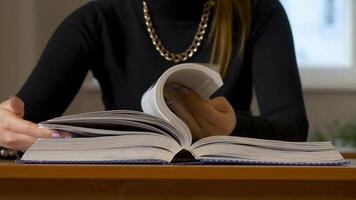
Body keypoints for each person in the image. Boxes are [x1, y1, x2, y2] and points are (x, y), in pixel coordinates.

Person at [0, 0, 309, 155]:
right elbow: (24, 120)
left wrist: (232, 126)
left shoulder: (258, 10)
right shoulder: (98, 18)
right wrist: (7, 129)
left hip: (226, 188)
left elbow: (293, 125)